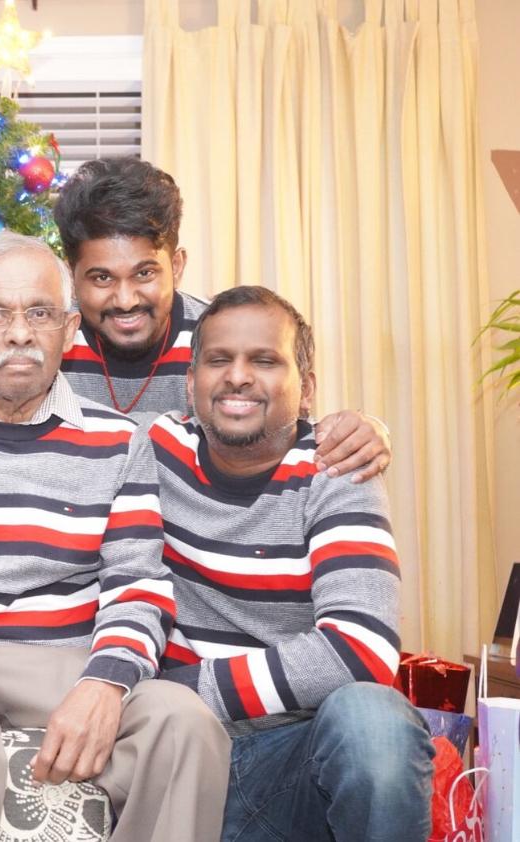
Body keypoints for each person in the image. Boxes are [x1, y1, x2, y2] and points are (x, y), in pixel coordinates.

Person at [0, 231, 230, 842]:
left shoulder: (120, 442)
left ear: (69, 328)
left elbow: (137, 588)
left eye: (39, 313)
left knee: (184, 722)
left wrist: (105, 681)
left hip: (64, 666)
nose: (19, 333)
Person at [0, 157, 391, 482]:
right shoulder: (44, 339)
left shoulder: (218, 344)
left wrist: (364, 429)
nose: (125, 300)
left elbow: (279, 430)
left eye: (145, 273)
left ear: (178, 266)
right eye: (101, 278)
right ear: (72, 276)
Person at [149, 285, 434, 841]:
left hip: (294, 762)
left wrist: (171, 689)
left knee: (374, 720)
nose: (237, 377)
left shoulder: (337, 470)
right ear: (190, 382)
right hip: (178, 758)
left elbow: (361, 650)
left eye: (264, 360)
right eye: (218, 360)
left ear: (307, 390)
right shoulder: (156, 449)